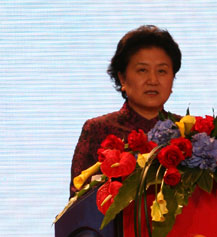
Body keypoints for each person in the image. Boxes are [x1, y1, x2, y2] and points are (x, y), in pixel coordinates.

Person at [70, 25, 182, 196]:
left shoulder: (187, 133)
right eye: (142, 70)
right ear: (122, 78)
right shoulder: (97, 129)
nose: (153, 80)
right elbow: (77, 203)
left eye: (162, 71)